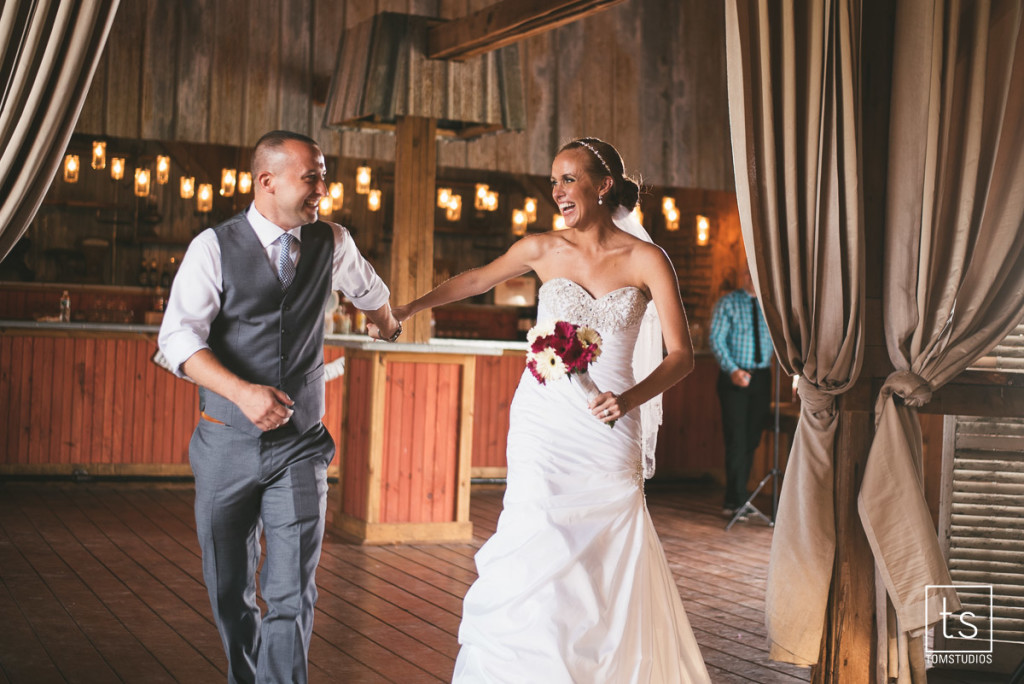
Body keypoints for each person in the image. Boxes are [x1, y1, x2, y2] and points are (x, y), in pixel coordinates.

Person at [372, 137, 710, 682]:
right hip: (543, 420)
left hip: (610, 421)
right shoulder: (540, 248)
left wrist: (626, 400)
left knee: (604, 542)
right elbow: (478, 279)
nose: (558, 191)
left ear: (603, 186)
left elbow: (681, 357)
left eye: (569, 179)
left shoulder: (648, 259)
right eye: (553, 180)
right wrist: (409, 306)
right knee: (539, 529)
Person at [158, 130, 401, 683]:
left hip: (299, 445)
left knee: (292, 591)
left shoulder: (332, 241)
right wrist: (243, 393)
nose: (323, 187)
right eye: (311, 176)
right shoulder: (213, 248)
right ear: (266, 181)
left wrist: (385, 320)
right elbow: (176, 342)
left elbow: (371, 292)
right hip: (226, 442)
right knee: (228, 588)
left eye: (323, 175)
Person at [709, 261, 772, 518]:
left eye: (756, 272)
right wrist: (733, 370)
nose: (751, 277)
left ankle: (741, 497)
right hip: (734, 378)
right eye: (748, 272)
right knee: (737, 439)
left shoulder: (770, 306)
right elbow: (716, 339)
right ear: (743, 275)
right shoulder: (729, 303)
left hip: (762, 378)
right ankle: (733, 501)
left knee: (753, 438)